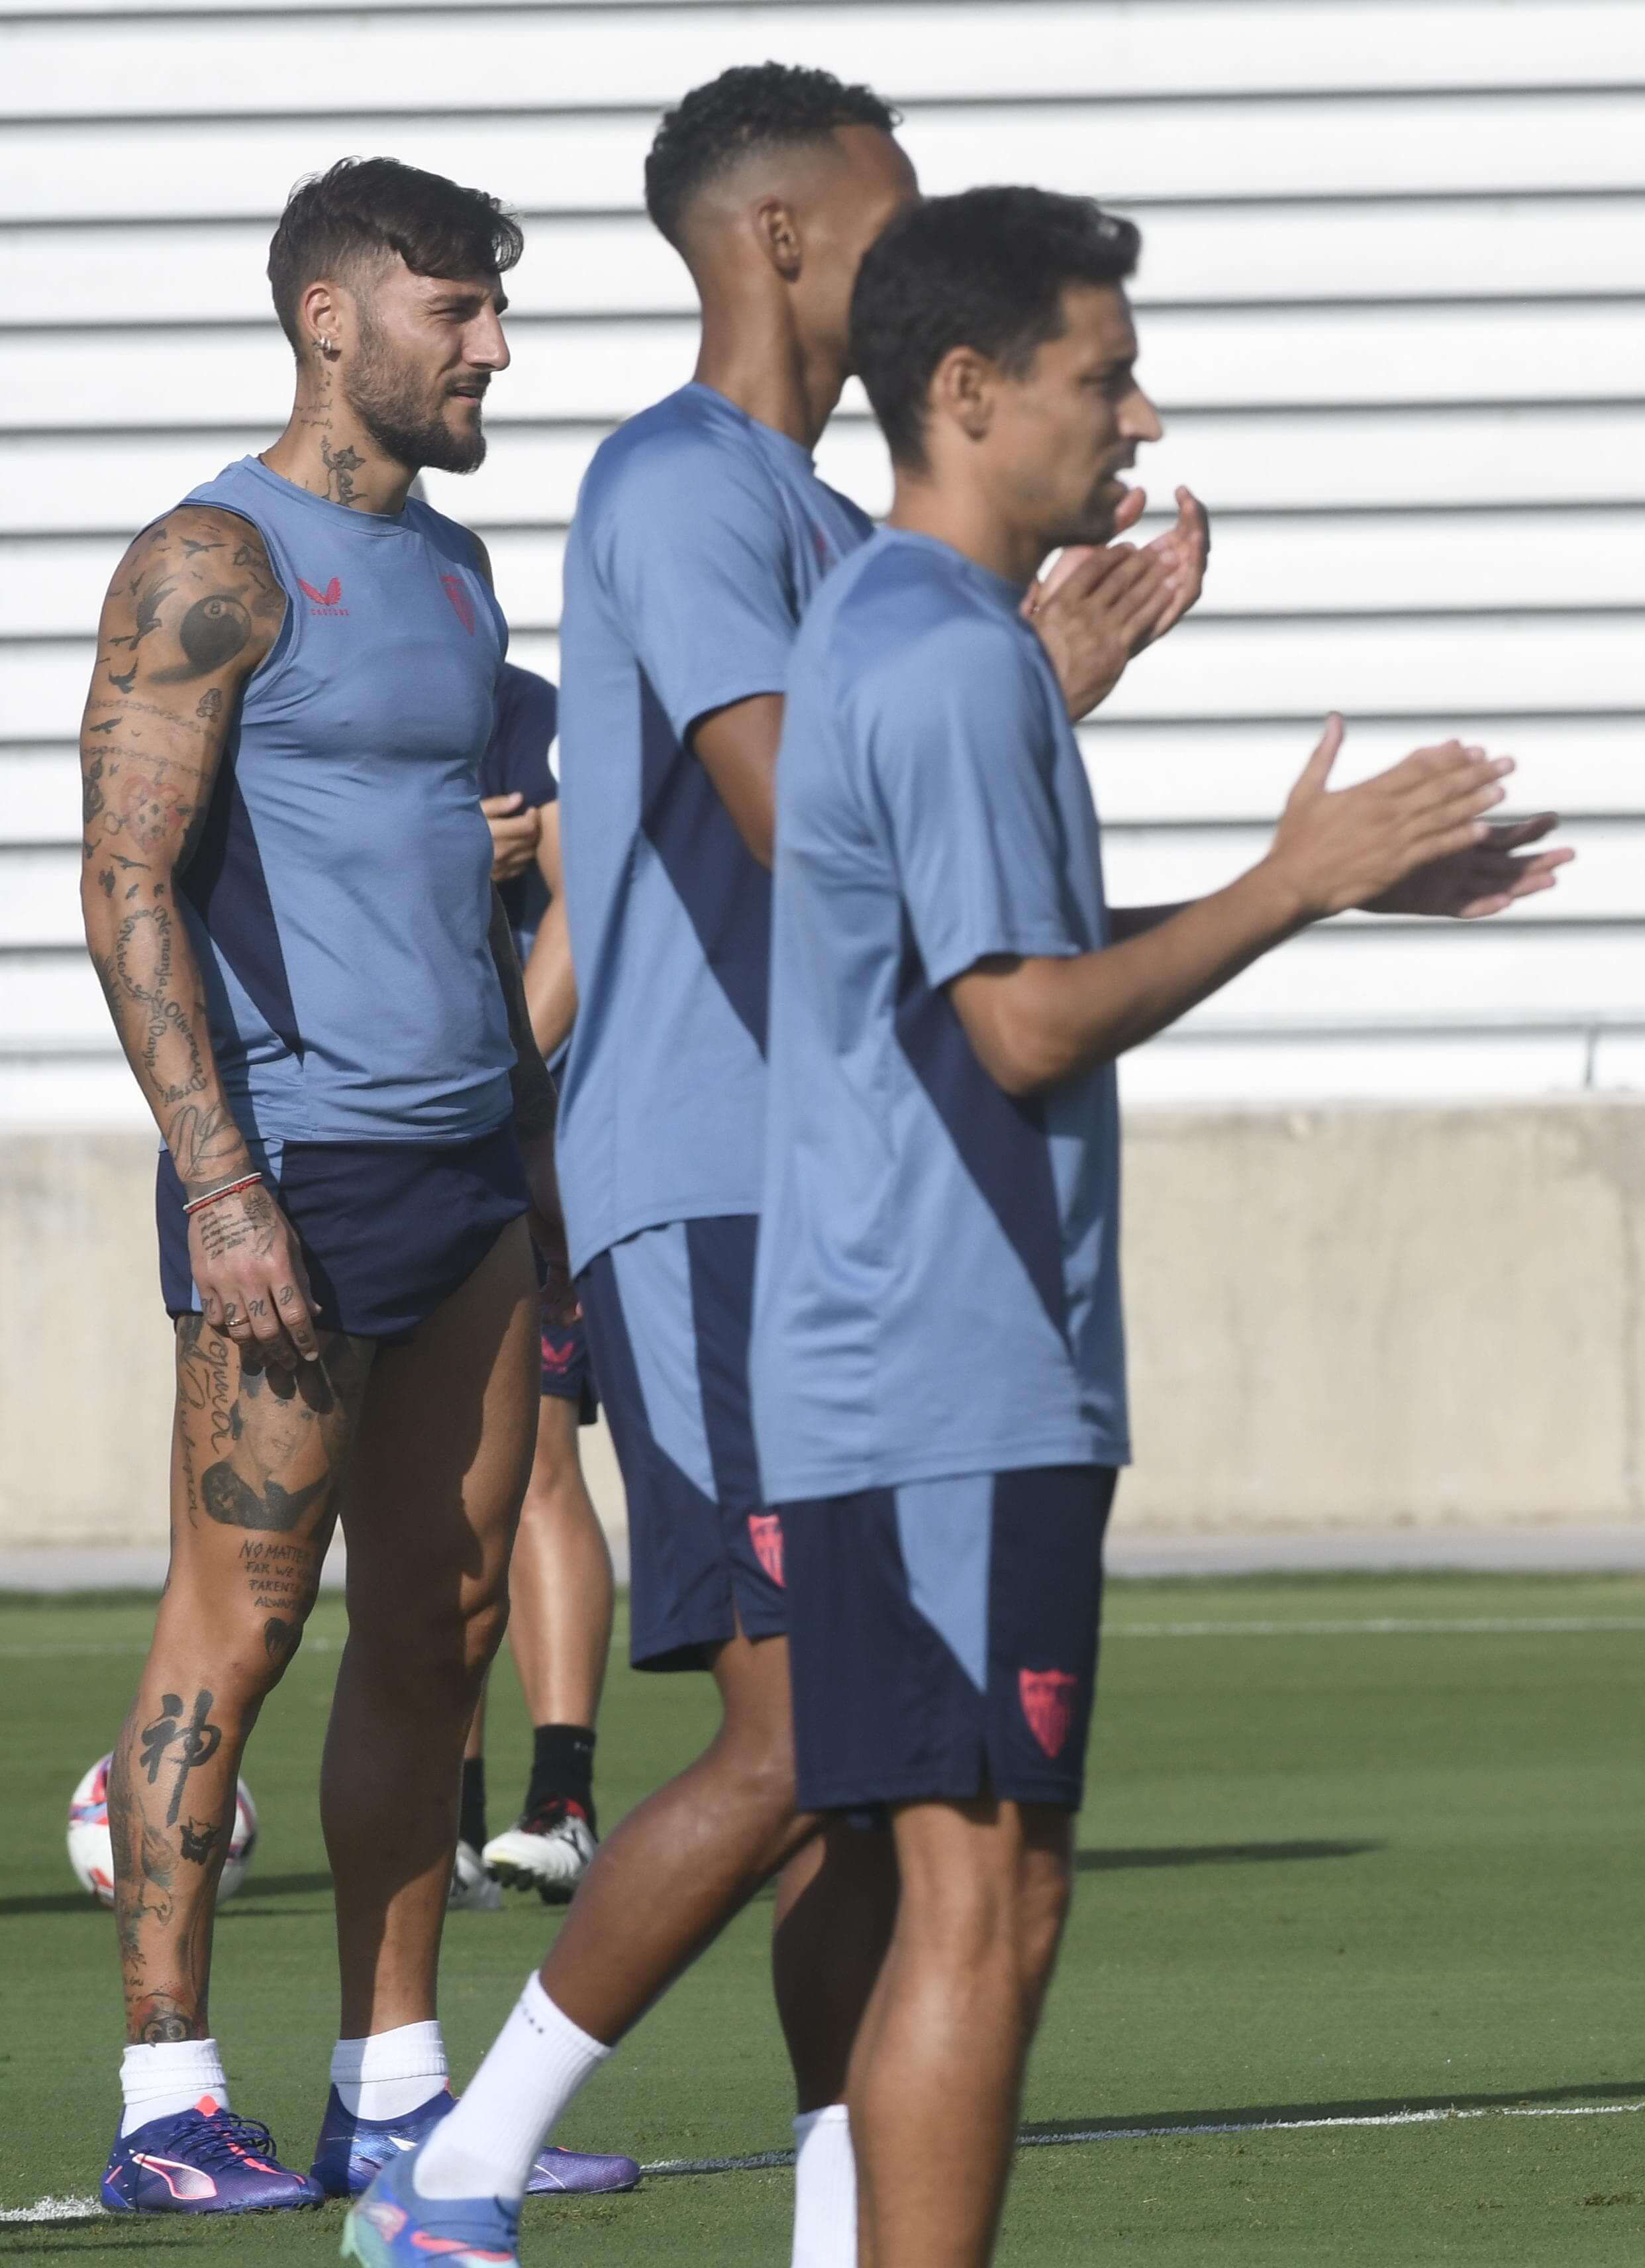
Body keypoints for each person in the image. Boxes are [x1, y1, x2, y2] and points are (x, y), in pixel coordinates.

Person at [355, 76, 1207, 2268]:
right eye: (891, 219)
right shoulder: (680, 486)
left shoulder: (845, 533)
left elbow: (870, 839)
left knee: (862, 1780)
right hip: (724, 1188)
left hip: (838, 1186)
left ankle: (837, 2237)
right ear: (782, 241)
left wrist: (1050, 676)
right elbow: (782, 807)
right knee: (808, 1729)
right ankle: (451, 2176)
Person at [774, 185, 1551, 2267]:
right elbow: (1020, 1027)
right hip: (942, 1360)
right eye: (1103, 376)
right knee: (979, 1887)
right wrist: (1288, 885)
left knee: (992, 1880)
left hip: (919, 1358)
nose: (1139, 417)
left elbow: (971, 966)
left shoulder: (910, 633)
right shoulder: (943, 662)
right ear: (965, 389)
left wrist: (1316, 892)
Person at [73, 156, 633, 2217]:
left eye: (496, 311)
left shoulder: (462, 569)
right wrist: (219, 1185)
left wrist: (539, 1149)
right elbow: (123, 874)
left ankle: (391, 2084)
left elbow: (480, 854)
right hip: (287, 1172)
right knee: (242, 1622)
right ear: (335, 317)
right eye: (457, 310)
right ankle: (165, 2099)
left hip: (469, 1167)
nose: (493, 346)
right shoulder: (213, 556)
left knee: (449, 1615)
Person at [452, 662, 617, 1914]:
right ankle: (440, 1819)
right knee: (424, 1486)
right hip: (365, 1137)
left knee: (537, 1459)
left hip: (516, 1139)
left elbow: (587, 896)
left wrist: (503, 1088)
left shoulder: (518, 709)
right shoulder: (292, 706)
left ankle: (561, 1797)